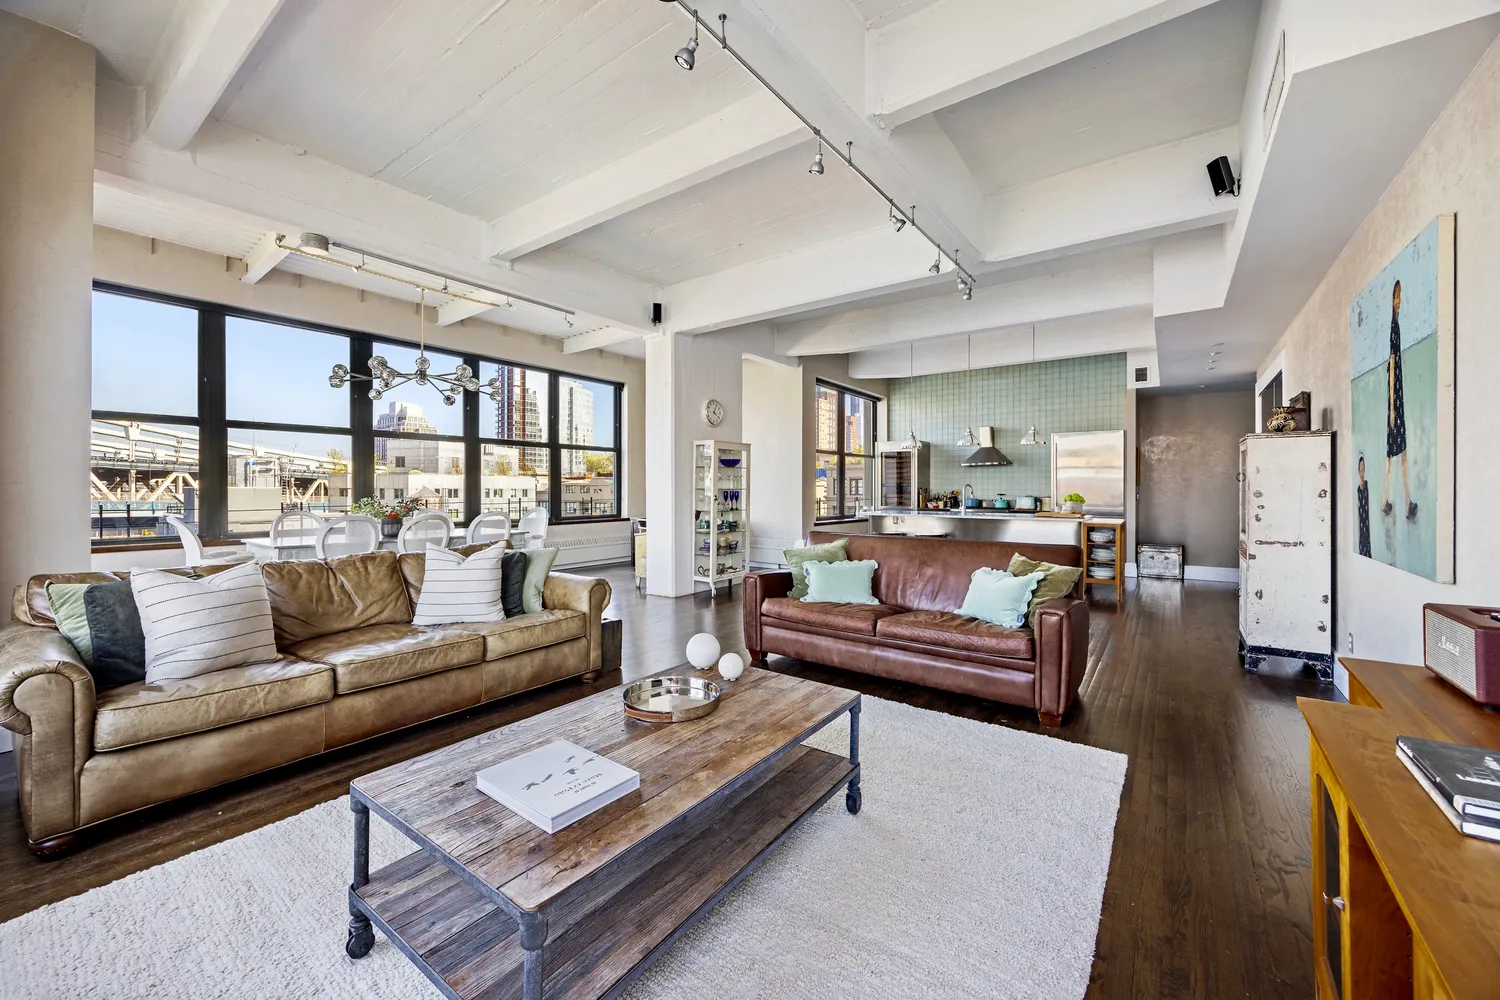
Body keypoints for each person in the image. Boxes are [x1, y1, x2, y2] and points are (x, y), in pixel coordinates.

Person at [1382, 280, 1416, 521]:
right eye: (1396, 298)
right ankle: (1398, 501)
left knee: (1396, 453)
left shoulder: (1396, 328)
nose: (1398, 302)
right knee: (1396, 453)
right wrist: (1393, 409)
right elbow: (1393, 367)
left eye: (1399, 298)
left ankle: (1398, 501)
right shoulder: (1395, 331)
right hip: (1396, 402)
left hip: (1397, 401)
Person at [1356, 455, 1372, 558]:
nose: (1362, 473)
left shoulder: (1367, 487)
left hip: (1368, 528)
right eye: (1361, 470)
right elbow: (1358, 513)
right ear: (1358, 472)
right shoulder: (1358, 490)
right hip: (1362, 530)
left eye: (1363, 470)